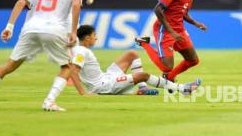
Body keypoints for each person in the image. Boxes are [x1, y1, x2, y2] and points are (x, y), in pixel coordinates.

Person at [69, 25, 202, 95]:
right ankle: (183, 89)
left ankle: (142, 88)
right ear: (87, 38)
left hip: (106, 77)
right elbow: (73, 70)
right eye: (94, 36)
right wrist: (83, 92)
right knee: (143, 75)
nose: (96, 38)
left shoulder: (80, 50)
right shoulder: (81, 52)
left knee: (131, 54)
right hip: (103, 86)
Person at [135, 0, 209, 82]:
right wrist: (171, 31)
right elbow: (158, 9)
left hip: (179, 30)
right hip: (164, 30)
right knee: (166, 67)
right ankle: (143, 43)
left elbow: (182, 12)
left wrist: (196, 23)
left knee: (193, 60)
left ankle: (169, 78)